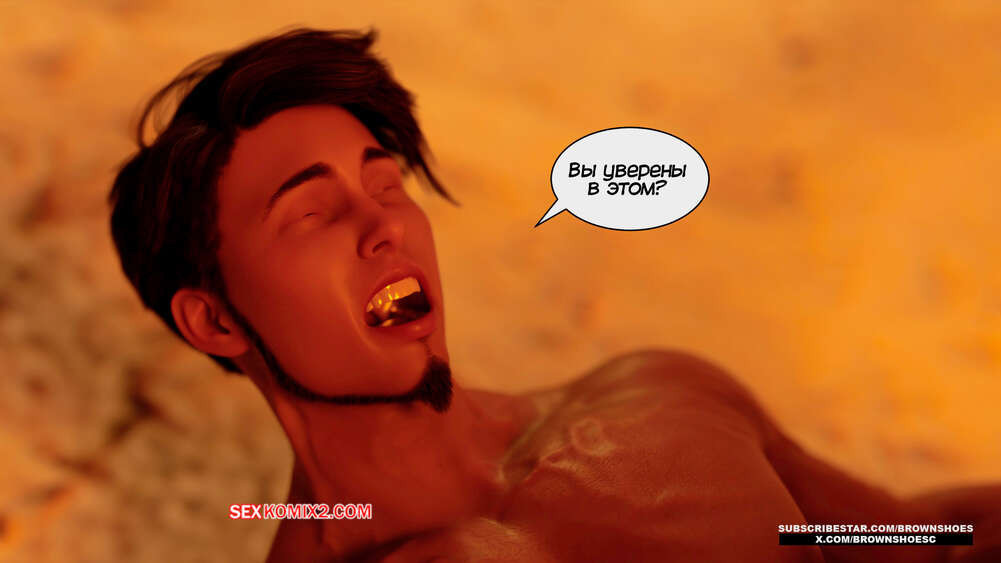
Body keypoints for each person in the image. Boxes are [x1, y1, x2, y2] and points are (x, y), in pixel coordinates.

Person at [108, 28, 997, 563]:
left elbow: (915, 542)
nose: (383, 226)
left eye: (385, 185)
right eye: (312, 213)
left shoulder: (660, 400)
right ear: (214, 319)